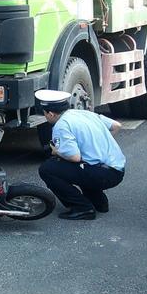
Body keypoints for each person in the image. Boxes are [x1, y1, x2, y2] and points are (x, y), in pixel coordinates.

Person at [36, 90, 126, 220]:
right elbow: (116, 125)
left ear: (50, 114)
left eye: (45, 114)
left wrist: (56, 151)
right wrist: (100, 143)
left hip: (103, 175)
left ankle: (82, 208)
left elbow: (74, 157)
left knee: (48, 169)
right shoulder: (84, 113)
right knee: (84, 164)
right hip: (117, 170)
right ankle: (99, 203)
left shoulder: (61, 125)